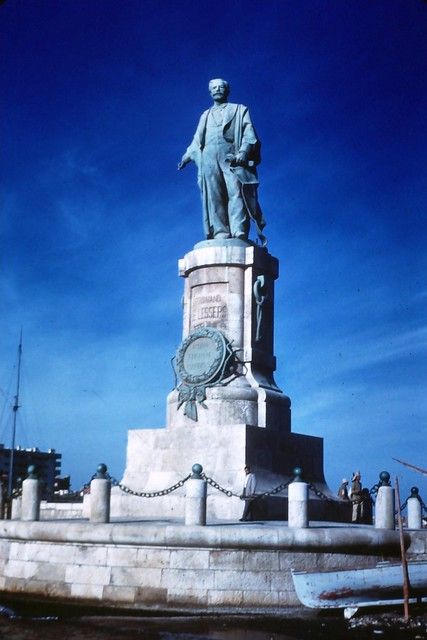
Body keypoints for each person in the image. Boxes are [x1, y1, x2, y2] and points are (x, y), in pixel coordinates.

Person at [178, 78, 266, 245]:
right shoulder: (205, 115)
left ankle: (239, 230)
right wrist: (187, 156)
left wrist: (244, 152)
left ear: (227, 90)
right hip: (209, 158)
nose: (218, 89)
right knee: (214, 195)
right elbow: (197, 141)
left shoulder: (239, 110)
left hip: (231, 156)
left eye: (221, 87)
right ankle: (220, 232)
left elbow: (249, 133)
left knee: (236, 191)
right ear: (210, 92)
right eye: (214, 87)